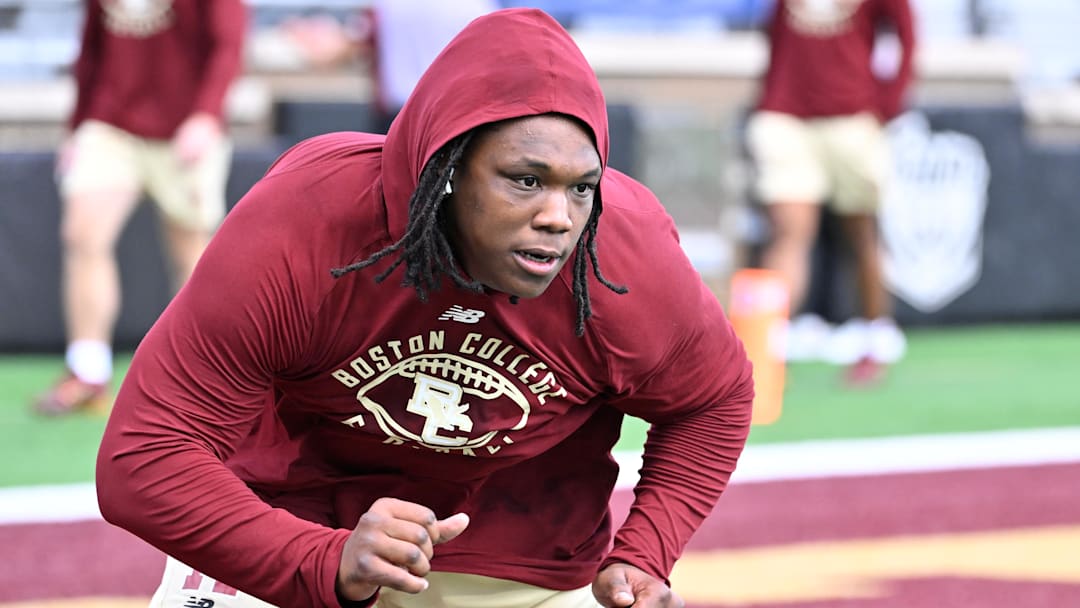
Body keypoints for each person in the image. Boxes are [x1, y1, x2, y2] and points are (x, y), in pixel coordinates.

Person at [96, 8, 754, 608]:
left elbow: (716, 399)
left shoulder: (625, 256)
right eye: (524, 180)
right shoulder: (310, 221)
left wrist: (646, 551)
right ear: (446, 168)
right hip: (294, 529)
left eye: (581, 187)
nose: (559, 217)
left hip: (522, 558)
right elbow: (144, 458)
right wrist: (318, 560)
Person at [33, 0, 248, 414]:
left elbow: (228, 43)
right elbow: (91, 49)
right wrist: (76, 128)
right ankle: (87, 372)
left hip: (186, 127)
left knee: (194, 260)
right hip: (111, 126)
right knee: (82, 235)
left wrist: (206, 114)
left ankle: (198, 381)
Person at [745, 0, 916, 384]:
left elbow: (906, 35)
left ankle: (875, 339)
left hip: (852, 119)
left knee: (861, 236)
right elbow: (773, 30)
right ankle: (761, 359)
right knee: (789, 234)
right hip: (785, 116)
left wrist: (887, 102)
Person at [281, 0, 499, 134]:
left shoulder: (386, 6)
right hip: (453, 114)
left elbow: (340, 51)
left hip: (397, 118)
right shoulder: (478, 6)